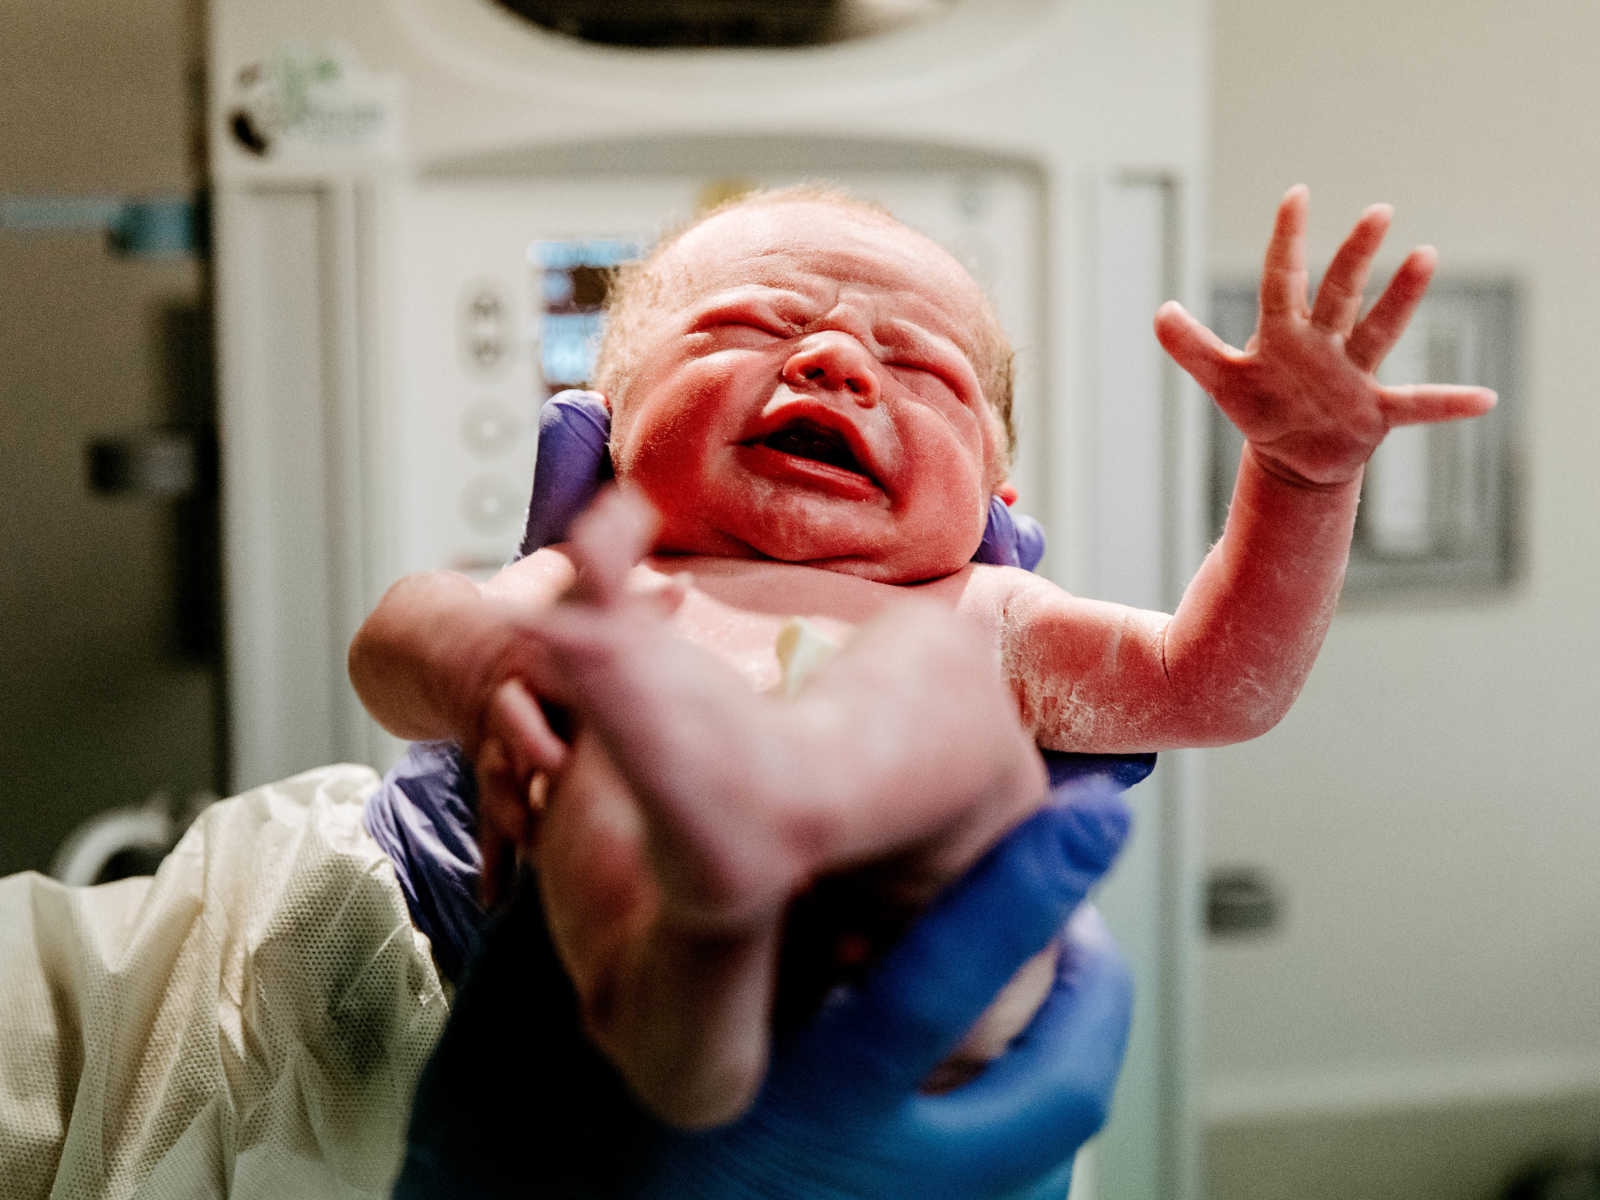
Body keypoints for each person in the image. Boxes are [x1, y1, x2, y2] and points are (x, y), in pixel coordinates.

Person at [349, 181, 1496, 1125]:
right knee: (616, 762)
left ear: (997, 489)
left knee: (939, 736)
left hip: (890, 977)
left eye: (924, 371)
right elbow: (395, 642)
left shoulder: (977, 612)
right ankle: (705, 942)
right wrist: (486, 664)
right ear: (608, 416)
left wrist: (1301, 480)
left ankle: (744, 907)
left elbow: (1211, 683)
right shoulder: (610, 583)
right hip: (611, 967)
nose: (837, 363)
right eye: (750, 326)